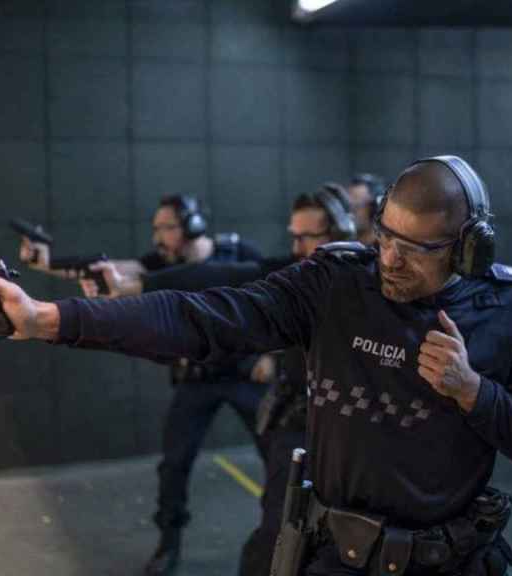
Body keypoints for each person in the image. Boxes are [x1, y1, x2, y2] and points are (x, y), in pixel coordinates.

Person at [0, 155, 512, 575]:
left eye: (416, 250)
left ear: (469, 246)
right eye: (385, 237)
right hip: (339, 559)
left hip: (453, 563)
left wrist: (472, 392)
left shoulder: (508, 304)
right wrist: (48, 320)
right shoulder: (335, 283)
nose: (390, 260)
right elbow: (200, 316)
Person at [91, 183, 358, 576]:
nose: (298, 246)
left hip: (312, 408)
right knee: (178, 464)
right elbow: (216, 278)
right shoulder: (293, 271)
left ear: (337, 235)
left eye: (307, 237)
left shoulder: (364, 280)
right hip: (222, 386)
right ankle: (171, 541)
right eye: (294, 237)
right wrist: (134, 286)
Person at [77, 195, 269, 576]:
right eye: (156, 228)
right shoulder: (165, 264)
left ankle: (287, 541)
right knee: (174, 464)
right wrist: (46, 261)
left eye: (167, 226)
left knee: (280, 458)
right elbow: (113, 270)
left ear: (193, 225)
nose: (159, 236)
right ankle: (169, 542)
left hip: (243, 374)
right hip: (197, 377)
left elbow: (277, 305)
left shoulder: (238, 253)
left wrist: (273, 355)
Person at [347, 173, 385, 247]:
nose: (350, 213)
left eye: (356, 206)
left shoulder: (385, 252)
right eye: (349, 206)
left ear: (374, 208)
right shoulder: (346, 249)